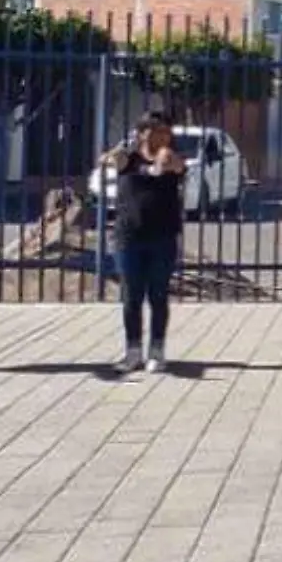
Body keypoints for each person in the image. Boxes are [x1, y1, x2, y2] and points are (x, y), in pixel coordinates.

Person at [101, 111, 187, 374]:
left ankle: (157, 351)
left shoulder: (171, 156)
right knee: (131, 297)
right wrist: (112, 157)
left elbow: (178, 167)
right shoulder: (129, 159)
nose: (164, 134)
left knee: (158, 295)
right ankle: (133, 351)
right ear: (142, 132)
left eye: (167, 130)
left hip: (162, 237)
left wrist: (168, 162)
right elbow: (108, 160)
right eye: (157, 129)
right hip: (129, 238)